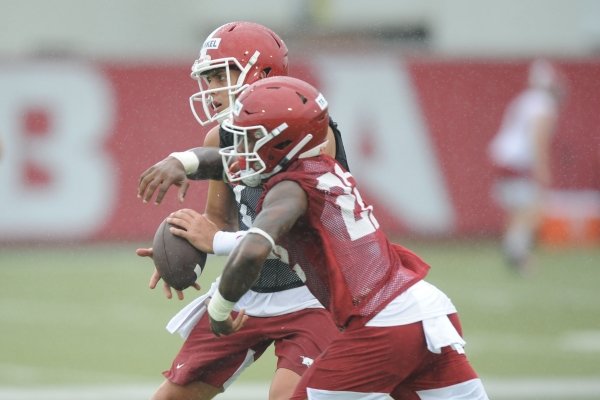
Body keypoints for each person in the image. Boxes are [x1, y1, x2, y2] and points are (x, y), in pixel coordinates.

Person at [168, 76, 490, 399]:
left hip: (381, 325)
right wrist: (183, 161)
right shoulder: (317, 166)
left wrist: (219, 310)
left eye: (251, 139)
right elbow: (228, 167)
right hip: (424, 309)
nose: (240, 150)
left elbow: (254, 249)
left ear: (281, 144)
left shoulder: (290, 190)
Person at [137, 21, 349, 400]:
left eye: (221, 74)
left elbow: (287, 231)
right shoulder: (221, 136)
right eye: (208, 76)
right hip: (248, 289)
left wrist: (186, 166)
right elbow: (219, 219)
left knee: (288, 396)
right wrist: (184, 246)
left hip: (312, 293)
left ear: (262, 73)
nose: (212, 88)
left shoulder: (310, 132)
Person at [488, 59, 566, 274]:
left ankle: (514, 251)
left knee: (518, 211)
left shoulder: (525, 100)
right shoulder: (542, 104)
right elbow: (538, 137)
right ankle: (517, 254)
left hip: (504, 158)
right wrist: (543, 169)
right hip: (518, 162)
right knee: (532, 209)